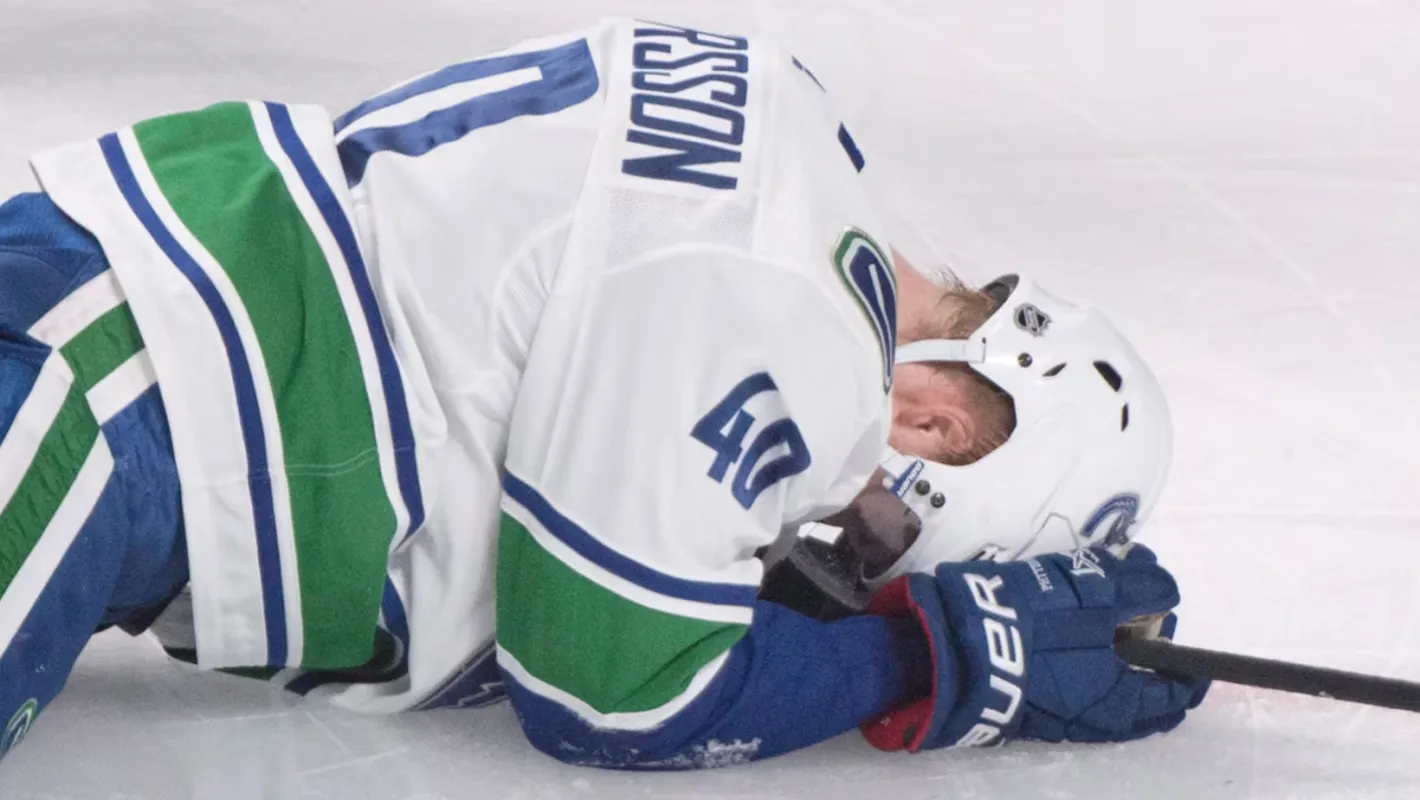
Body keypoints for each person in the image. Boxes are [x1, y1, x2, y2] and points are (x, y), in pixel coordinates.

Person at [0, 17, 1208, 768]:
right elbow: (614, 689)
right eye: (885, 529)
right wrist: (929, 654)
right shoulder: (790, 320)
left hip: (109, 327)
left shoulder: (788, 140)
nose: (836, 538)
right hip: (104, 408)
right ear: (937, 424)